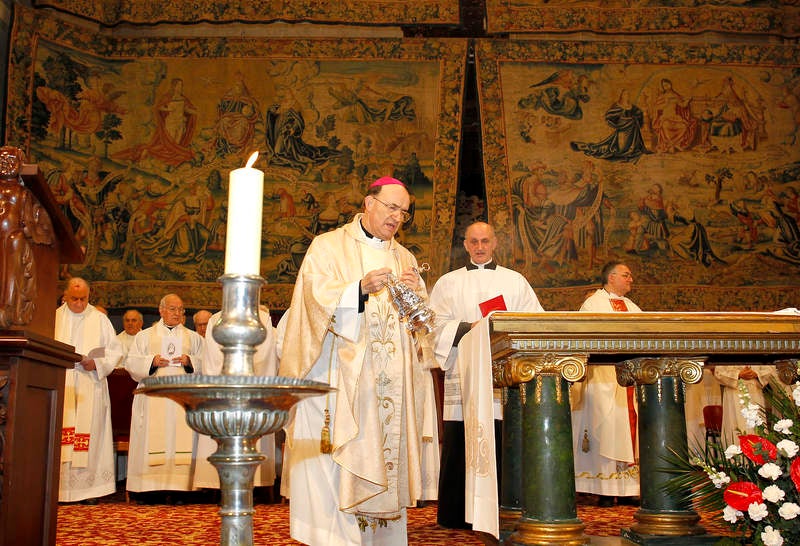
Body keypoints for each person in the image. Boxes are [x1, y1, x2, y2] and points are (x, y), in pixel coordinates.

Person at [279, 176, 438, 545]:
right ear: (369, 203)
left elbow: (420, 327)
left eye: (404, 212)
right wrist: (358, 289)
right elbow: (311, 304)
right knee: (338, 468)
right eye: (391, 208)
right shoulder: (329, 246)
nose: (397, 218)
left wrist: (417, 299)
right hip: (341, 384)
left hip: (388, 390)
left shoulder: (405, 257)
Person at [428, 221, 545, 529]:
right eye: (474, 241)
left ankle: (505, 511)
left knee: (502, 440)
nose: (479, 246)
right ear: (465, 245)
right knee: (459, 442)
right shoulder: (448, 283)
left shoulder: (515, 281)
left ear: (495, 243)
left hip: (501, 375)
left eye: (485, 241)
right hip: (463, 375)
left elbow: (535, 323)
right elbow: (433, 326)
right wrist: (470, 328)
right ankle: (455, 514)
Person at [573, 261, 640, 507]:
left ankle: (628, 488)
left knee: (627, 428)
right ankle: (603, 487)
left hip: (628, 378)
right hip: (603, 377)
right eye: (626, 274)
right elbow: (585, 335)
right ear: (611, 277)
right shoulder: (593, 304)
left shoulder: (633, 307)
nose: (631, 279)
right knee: (605, 428)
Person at [125, 293, 203, 502]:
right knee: (154, 437)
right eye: (172, 308)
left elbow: (207, 364)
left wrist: (189, 361)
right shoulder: (144, 336)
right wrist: (152, 361)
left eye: (181, 309)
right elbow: (131, 363)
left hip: (182, 399)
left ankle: (182, 490)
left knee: (182, 439)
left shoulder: (193, 338)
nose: (177, 313)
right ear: (161, 310)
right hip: (153, 400)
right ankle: (152, 490)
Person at [194, 306, 277, 494]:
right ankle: (218, 486)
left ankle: (255, 486)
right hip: (224, 388)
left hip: (253, 389)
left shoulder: (263, 318)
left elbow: (266, 354)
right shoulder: (216, 319)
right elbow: (212, 357)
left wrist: (250, 372)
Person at [55, 277, 122, 503]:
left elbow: (114, 351)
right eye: (74, 299)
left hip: (90, 383)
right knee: (61, 433)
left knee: (90, 434)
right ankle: (59, 489)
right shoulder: (53, 317)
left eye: (83, 299)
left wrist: (96, 364)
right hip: (61, 382)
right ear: (65, 296)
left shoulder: (100, 319)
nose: (79, 304)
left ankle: (90, 490)